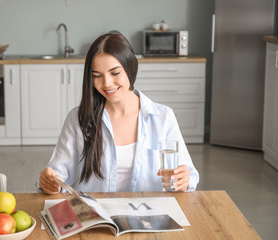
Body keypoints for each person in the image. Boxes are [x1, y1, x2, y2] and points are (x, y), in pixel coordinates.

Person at [37, 33, 199, 194]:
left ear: (130, 67)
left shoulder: (163, 117)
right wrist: (50, 183)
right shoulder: (78, 118)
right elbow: (57, 175)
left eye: (115, 73)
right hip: (95, 215)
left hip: (148, 214)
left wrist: (184, 180)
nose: (107, 83)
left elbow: (189, 175)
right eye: (97, 76)